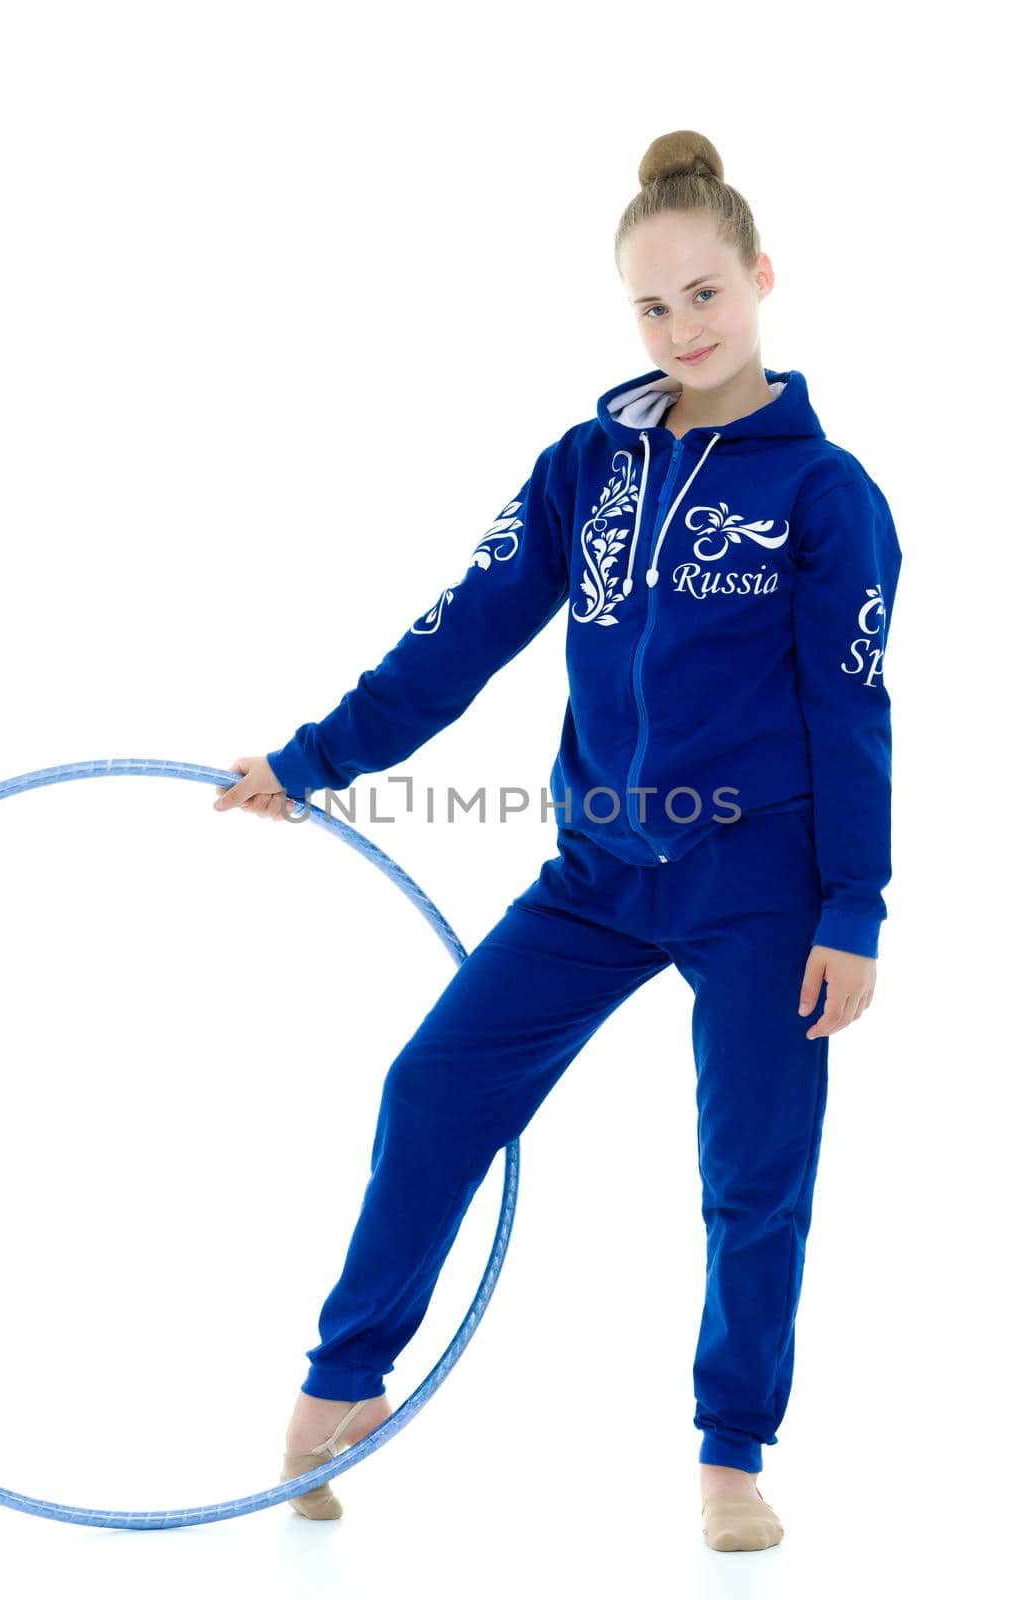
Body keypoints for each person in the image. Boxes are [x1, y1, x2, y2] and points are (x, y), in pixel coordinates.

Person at [213, 128, 902, 1552]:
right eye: (653, 308)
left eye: (706, 295)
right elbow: (459, 633)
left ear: (761, 278)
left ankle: (730, 1451)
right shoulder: (583, 470)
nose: (684, 329)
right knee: (433, 1087)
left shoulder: (825, 497)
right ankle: (339, 1391)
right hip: (595, 876)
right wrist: (318, 758)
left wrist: (855, 908)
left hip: (762, 889)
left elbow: (854, 708)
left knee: (753, 1173)